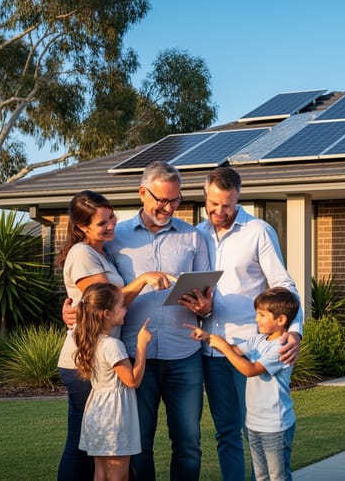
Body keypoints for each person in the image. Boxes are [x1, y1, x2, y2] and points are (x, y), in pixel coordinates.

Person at [62, 161, 213, 480]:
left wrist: (205, 305)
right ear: (143, 193)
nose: (169, 207)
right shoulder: (115, 238)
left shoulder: (193, 237)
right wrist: (70, 312)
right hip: (130, 356)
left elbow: (207, 292)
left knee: (188, 443)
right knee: (136, 444)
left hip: (183, 355)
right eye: (162, 200)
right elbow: (92, 296)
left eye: (176, 200)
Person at [56, 190, 173, 481]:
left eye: (111, 218)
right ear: (82, 227)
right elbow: (106, 300)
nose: (111, 226)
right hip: (85, 360)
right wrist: (145, 279)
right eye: (102, 223)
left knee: (96, 448)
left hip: (100, 356)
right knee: (80, 445)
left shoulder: (100, 251)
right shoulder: (82, 254)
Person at [196, 166, 302, 481]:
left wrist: (294, 333)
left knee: (255, 429)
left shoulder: (258, 231)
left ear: (238, 198)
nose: (219, 211)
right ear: (205, 196)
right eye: (213, 204)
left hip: (250, 352)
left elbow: (284, 285)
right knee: (226, 432)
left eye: (226, 205)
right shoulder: (197, 234)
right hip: (213, 351)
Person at [185, 287, 300, 481]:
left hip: (275, 425)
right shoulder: (259, 340)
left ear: (281, 320)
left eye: (262, 315)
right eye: (257, 314)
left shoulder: (281, 347)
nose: (256, 320)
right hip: (255, 423)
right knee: (262, 476)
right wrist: (207, 337)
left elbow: (250, 369)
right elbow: (234, 349)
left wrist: (224, 348)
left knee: (278, 476)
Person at [73, 282, 152, 481]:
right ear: (107, 314)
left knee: (100, 473)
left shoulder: (90, 340)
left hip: (97, 413)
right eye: (121, 306)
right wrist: (141, 346)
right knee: (119, 475)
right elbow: (132, 380)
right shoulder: (112, 345)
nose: (126, 310)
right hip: (114, 416)